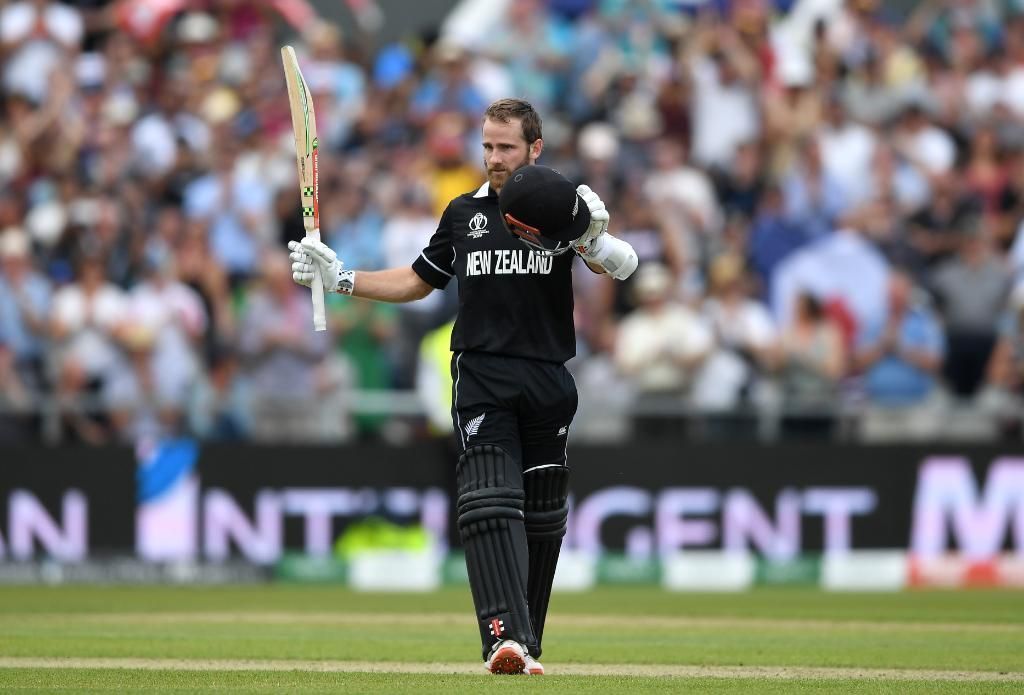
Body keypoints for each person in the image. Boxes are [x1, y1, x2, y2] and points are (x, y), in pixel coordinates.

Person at [288, 98, 637, 675]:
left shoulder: (554, 201)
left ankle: (528, 641)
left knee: (544, 517)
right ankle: (502, 636)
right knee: (487, 500)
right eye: (488, 147)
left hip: (549, 376)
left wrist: (592, 239)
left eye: (506, 148)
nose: (494, 159)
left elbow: (618, 266)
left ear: (534, 149)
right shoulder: (462, 214)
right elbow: (417, 281)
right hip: (481, 373)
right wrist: (340, 276)